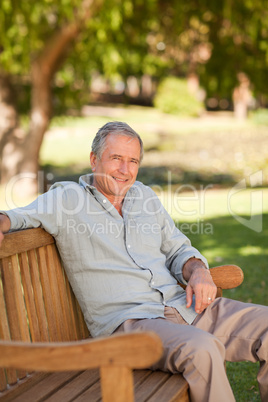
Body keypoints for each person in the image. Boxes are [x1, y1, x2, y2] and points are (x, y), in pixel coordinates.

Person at [0, 121, 267, 402]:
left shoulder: (144, 197)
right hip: (133, 325)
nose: (125, 170)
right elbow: (17, 217)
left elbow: (177, 249)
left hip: (185, 307)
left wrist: (199, 270)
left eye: (133, 161)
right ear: (94, 160)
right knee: (203, 348)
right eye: (116, 159)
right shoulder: (67, 199)